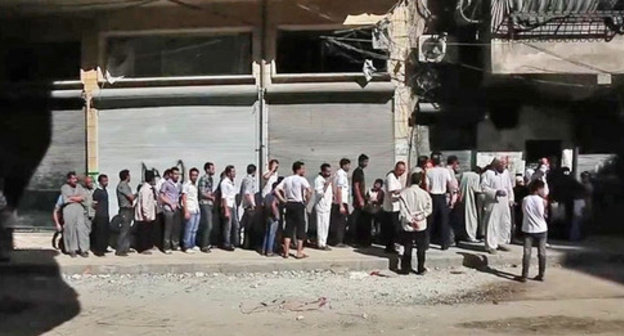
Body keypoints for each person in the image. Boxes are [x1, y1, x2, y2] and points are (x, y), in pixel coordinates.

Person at [275, 161, 312, 259]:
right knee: (300, 228)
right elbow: (309, 191)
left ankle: (286, 252)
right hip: (298, 203)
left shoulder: (287, 179)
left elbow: (276, 190)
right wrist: (306, 201)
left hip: (289, 204)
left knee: (289, 227)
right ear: (298, 169)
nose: (304, 170)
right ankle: (299, 252)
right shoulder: (301, 179)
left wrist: (283, 200)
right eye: (302, 169)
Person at [398, 172, 433, 275]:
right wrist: (420, 218)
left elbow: (402, 210)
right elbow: (429, 209)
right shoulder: (425, 194)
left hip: (408, 224)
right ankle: (420, 268)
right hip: (421, 223)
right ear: (420, 181)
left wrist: (410, 220)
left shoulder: (404, 193)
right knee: (421, 248)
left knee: (407, 246)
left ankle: (405, 268)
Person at [481, 159, 515, 254]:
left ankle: (500, 242)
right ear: (496, 164)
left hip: (504, 203)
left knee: (504, 222)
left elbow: (509, 187)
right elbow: (483, 187)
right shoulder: (488, 174)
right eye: (502, 163)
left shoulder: (506, 173)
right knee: (492, 223)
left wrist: (511, 198)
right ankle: (490, 246)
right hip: (493, 202)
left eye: (505, 164)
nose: (504, 165)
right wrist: (495, 192)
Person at [518, 179, 548, 283]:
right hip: (541, 229)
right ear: (539, 189)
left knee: (527, 253)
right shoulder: (543, 201)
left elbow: (523, 212)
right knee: (542, 253)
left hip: (528, 229)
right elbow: (544, 214)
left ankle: (524, 275)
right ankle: (542, 274)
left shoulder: (525, 199)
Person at [427, 152, 456, 250]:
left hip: (432, 196)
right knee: (444, 221)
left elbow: (427, 187)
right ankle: (444, 243)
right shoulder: (445, 171)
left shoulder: (429, 171)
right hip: (442, 196)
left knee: (430, 220)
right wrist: (452, 198)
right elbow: (450, 185)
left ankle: (427, 242)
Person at [60, 171, 88, 258]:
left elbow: (83, 197)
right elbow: (66, 199)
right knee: (70, 229)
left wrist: (72, 198)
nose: (75, 180)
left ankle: (83, 249)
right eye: (73, 178)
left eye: (76, 178)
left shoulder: (79, 187)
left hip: (79, 209)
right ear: (68, 180)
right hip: (69, 209)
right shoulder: (64, 188)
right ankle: (72, 249)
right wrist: (76, 198)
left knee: (81, 229)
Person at [382, 162, 407, 254]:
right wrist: (403, 190)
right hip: (390, 207)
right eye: (400, 170)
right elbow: (392, 190)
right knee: (393, 228)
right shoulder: (391, 177)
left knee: (394, 228)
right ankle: (389, 246)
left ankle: (392, 245)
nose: (401, 172)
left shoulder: (397, 177)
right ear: (396, 168)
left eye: (403, 171)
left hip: (396, 206)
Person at [160, 167, 182, 254]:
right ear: (171, 174)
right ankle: (166, 247)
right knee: (168, 228)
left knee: (176, 228)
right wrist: (170, 203)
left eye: (178, 174)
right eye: (175, 174)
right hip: (168, 208)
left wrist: (177, 203)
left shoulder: (179, 185)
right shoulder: (166, 184)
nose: (177, 176)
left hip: (176, 208)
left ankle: (175, 244)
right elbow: (161, 196)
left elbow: (179, 195)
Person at [135, 171, 158, 254]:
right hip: (145, 216)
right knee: (143, 232)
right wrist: (146, 215)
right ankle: (142, 248)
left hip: (150, 215)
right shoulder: (145, 189)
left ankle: (148, 245)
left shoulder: (150, 188)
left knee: (148, 231)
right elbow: (144, 204)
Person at [330, 158, 350, 247]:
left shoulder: (337, 174)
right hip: (341, 202)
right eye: (348, 165)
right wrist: (341, 204)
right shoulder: (341, 175)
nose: (349, 167)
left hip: (337, 201)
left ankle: (336, 240)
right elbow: (339, 189)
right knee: (341, 223)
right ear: (344, 165)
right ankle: (338, 241)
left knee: (337, 222)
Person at [458, 167, 482, 243]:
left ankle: (463, 235)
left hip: (462, 197)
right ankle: (471, 236)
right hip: (470, 198)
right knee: (471, 217)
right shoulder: (476, 176)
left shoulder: (464, 174)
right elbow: (476, 188)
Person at [115, 169, 135, 257]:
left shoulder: (126, 185)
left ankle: (126, 247)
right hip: (125, 210)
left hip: (129, 209)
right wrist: (138, 194)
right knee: (124, 230)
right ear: (126, 176)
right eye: (129, 175)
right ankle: (120, 249)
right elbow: (131, 197)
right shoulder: (122, 186)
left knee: (127, 230)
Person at [314, 163, 333, 251]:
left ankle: (324, 242)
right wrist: (326, 184)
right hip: (321, 206)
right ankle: (321, 244)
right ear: (323, 171)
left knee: (325, 225)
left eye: (330, 171)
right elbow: (319, 193)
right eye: (327, 171)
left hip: (327, 206)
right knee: (321, 225)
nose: (329, 173)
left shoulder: (326, 179)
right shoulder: (319, 180)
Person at [351, 154, 369, 246]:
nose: (366, 163)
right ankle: (356, 239)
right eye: (365, 161)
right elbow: (356, 186)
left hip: (361, 198)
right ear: (361, 161)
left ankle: (360, 239)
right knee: (358, 220)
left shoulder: (361, 171)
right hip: (358, 200)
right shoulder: (357, 172)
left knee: (361, 219)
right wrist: (360, 199)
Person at [198, 162, 216, 253]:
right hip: (205, 203)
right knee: (208, 225)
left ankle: (207, 243)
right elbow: (202, 192)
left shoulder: (211, 179)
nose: (214, 170)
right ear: (207, 169)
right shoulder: (204, 179)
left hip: (210, 204)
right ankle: (204, 245)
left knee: (209, 225)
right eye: (212, 169)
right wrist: (211, 197)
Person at [182, 168, 201, 253]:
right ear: (190, 175)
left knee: (194, 229)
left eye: (196, 175)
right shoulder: (186, 185)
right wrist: (186, 211)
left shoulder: (195, 185)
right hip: (190, 208)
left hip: (196, 208)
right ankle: (186, 246)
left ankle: (192, 244)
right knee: (188, 228)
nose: (195, 177)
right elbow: (184, 198)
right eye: (193, 175)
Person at [240, 164, 258, 250]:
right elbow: (247, 193)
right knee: (250, 226)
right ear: (254, 171)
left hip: (246, 205)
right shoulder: (249, 180)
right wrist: (252, 204)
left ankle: (246, 244)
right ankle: (248, 244)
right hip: (249, 206)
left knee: (246, 225)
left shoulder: (245, 179)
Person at [220, 165, 238, 251]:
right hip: (228, 206)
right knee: (228, 226)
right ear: (228, 173)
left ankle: (233, 242)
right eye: (232, 172)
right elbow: (224, 197)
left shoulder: (232, 182)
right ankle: (226, 243)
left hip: (232, 205)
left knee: (235, 225)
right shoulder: (224, 183)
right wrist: (226, 210)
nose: (234, 173)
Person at [91, 174, 110, 256]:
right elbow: (94, 204)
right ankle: (98, 250)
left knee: (105, 233)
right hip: (100, 215)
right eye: (104, 181)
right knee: (100, 233)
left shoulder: (104, 190)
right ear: (100, 181)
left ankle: (104, 248)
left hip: (105, 214)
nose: (106, 182)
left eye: (107, 180)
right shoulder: (97, 192)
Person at [261, 180, 281, 256]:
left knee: (267, 233)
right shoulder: (275, 197)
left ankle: (263, 250)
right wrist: (276, 215)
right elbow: (273, 205)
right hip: (273, 217)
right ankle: (269, 251)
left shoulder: (267, 195)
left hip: (267, 216)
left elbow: (262, 204)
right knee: (272, 234)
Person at [83, 176, 96, 253]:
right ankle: (85, 248)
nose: (90, 184)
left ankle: (94, 246)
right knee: (86, 231)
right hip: (86, 213)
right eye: (88, 182)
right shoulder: (83, 191)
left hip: (95, 213)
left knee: (95, 231)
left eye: (91, 182)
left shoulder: (95, 190)